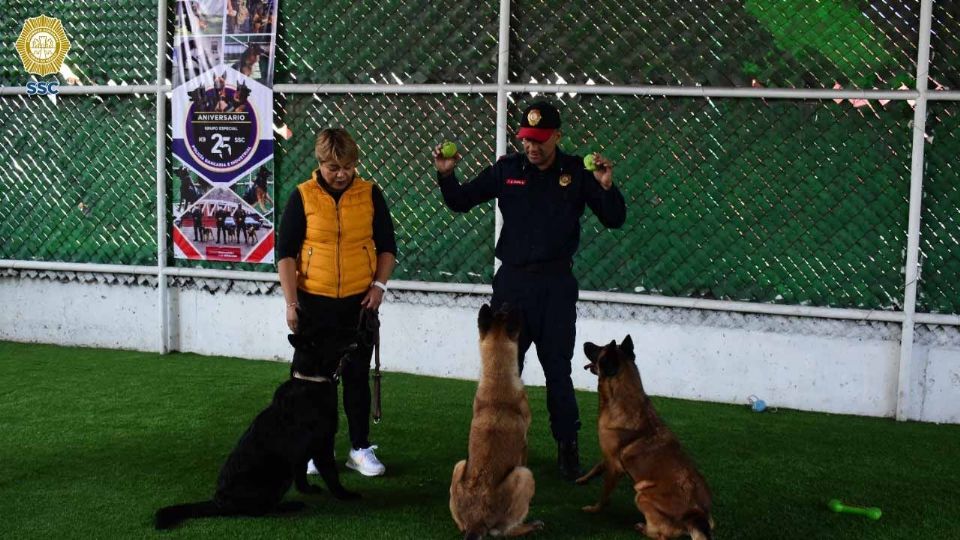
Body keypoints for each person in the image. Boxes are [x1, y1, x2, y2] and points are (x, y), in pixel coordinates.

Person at [432, 100, 627, 480]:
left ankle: (567, 447)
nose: (532, 147)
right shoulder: (508, 170)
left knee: (558, 371)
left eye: (539, 140)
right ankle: (500, 448)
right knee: (505, 374)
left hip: (555, 286)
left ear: (556, 136)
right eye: (527, 139)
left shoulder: (577, 172)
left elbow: (615, 218)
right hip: (513, 285)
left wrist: (607, 186)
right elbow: (460, 201)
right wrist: (446, 175)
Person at [278, 128, 397, 477]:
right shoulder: (302, 196)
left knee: (357, 377)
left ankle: (359, 449)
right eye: (333, 167)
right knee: (312, 381)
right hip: (313, 304)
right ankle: (317, 451)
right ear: (320, 163)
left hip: (359, 305)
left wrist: (378, 286)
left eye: (347, 166)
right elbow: (285, 254)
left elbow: (387, 247)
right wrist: (291, 303)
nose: (342, 174)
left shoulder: (371, 194)